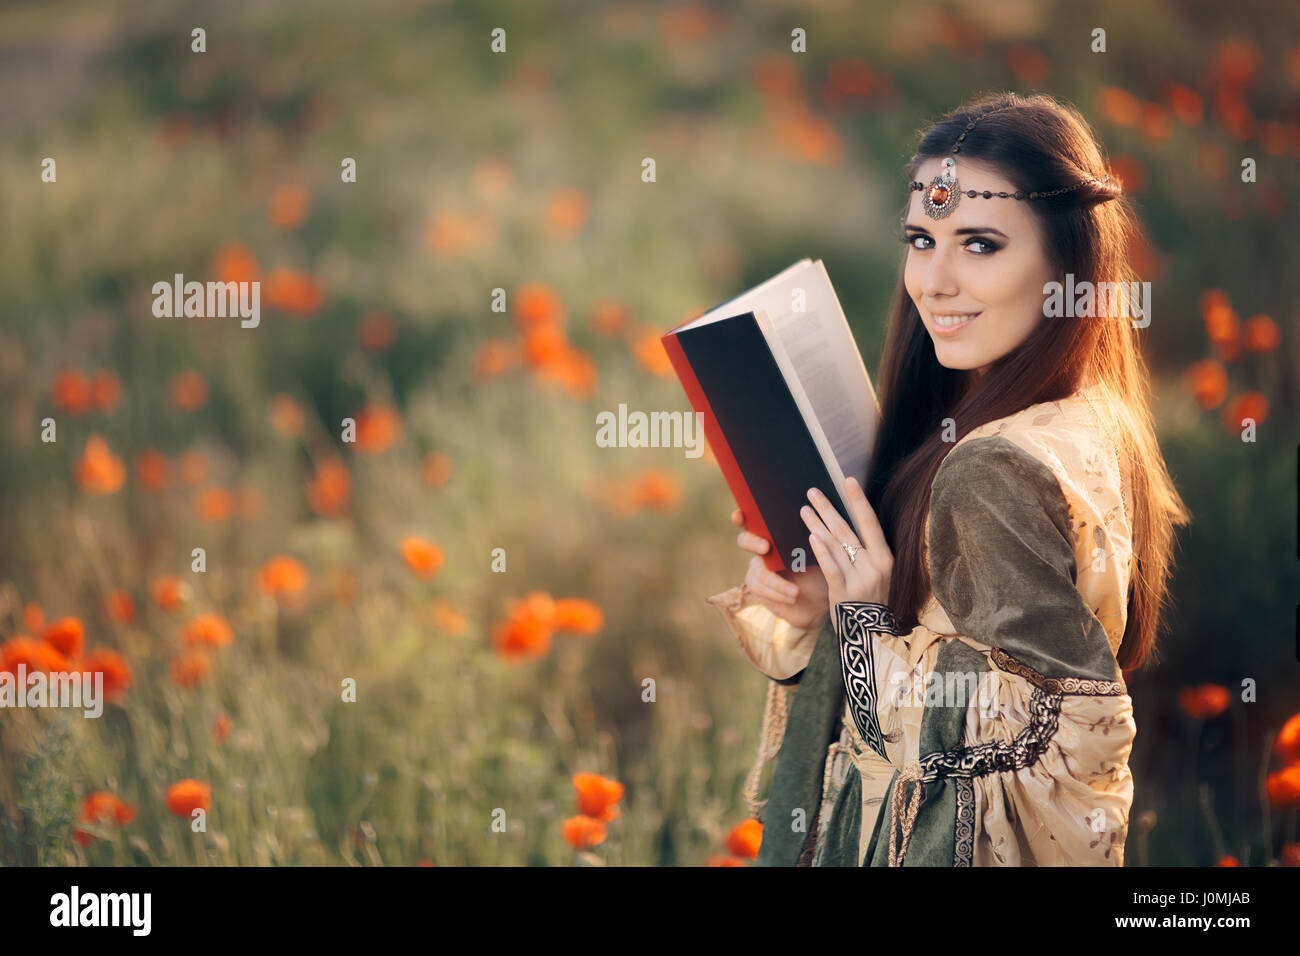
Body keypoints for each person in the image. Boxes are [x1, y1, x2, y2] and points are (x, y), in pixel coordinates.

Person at [707, 91, 1190, 866]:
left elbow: (1052, 740)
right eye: (921, 238)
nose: (933, 281)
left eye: (981, 245)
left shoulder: (991, 466)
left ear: (1069, 262)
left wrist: (861, 618)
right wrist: (825, 607)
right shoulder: (1090, 414)